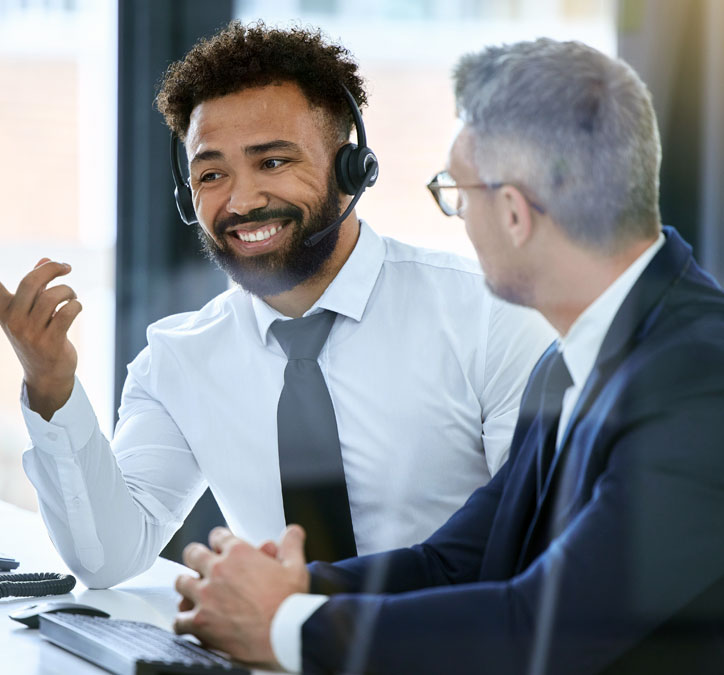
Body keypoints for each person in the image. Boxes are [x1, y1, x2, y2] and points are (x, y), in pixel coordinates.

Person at [170, 38, 724, 675]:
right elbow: (457, 560)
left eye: (457, 193)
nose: (458, 220)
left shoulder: (699, 379)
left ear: (514, 213)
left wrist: (289, 626)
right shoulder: (570, 362)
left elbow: (542, 629)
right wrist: (283, 587)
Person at [0, 22, 552, 588]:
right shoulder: (179, 359)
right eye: (212, 173)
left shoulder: (491, 315)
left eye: (273, 162)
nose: (243, 200)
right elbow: (106, 557)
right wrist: (50, 387)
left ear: (352, 171)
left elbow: (525, 548)